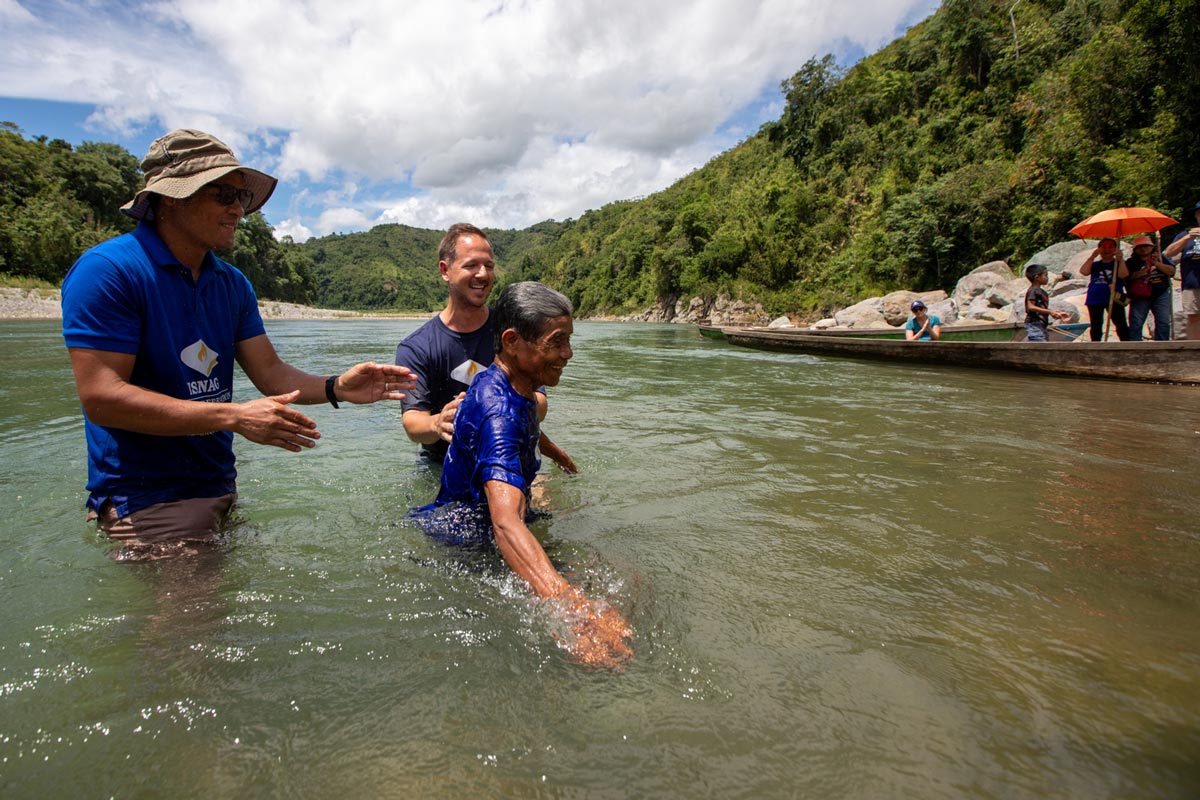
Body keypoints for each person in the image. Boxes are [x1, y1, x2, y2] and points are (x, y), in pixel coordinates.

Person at [61, 129, 416, 559]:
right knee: (194, 625)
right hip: (148, 501)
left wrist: (336, 386)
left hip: (217, 485)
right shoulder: (109, 272)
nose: (238, 210)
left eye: (242, 198)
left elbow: (270, 373)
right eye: (224, 195)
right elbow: (102, 398)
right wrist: (235, 416)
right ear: (173, 197)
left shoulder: (231, 284)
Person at [423, 281, 631, 666]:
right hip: (469, 543)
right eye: (557, 342)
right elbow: (505, 524)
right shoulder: (497, 412)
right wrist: (571, 609)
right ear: (512, 341)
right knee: (612, 594)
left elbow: (521, 415)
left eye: (569, 340)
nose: (568, 353)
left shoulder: (500, 382)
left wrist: (551, 450)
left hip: (480, 524)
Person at [393, 223, 575, 472]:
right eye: (471, 265)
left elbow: (540, 405)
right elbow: (413, 423)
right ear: (445, 270)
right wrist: (438, 423)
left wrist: (487, 404)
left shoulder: (511, 331)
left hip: (511, 452)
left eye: (489, 266)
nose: (483, 274)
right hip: (444, 464)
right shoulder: (417, 347)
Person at [1125, 234, 1176, 341]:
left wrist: (1157, 264)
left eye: (1146, 246)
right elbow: (1128, 277)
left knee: (1163, 321)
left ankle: (1162, 345)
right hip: (1140, 294)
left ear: (1152, 247)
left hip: (1160, 292)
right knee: (1136, 322)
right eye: (1140, 247)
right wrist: (1145, 270)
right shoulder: (1131, 262)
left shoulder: (1161, 258)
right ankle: (1135, 345)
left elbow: (1171, 271)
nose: (1143, 249)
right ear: (1135, 249)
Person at [1079, 238, 1130, 341]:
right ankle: (1096, 346)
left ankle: (1126, 345)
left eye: (1110, 247)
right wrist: (1092, 256)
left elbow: (1123, 274)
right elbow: (1084, 272)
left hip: (1113, 297)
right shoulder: (1096, 264)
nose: (1107, 250)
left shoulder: (1118, 263)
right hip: (1095, 298)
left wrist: (1121, 259)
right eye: (1103, 247)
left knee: (1121, 324)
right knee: (1096, 325)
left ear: (1115, 249)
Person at [1163, 200, 1200, 340]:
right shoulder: (1186, 235)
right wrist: (1187, 238)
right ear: (1196, 216)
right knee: (1194, 318)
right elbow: (1168, 253)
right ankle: (1196, 351)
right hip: (1192, 285)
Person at [1023, 263, 1070, 341]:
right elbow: (1030, 306)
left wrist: (1055, 313)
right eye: (1045, 275)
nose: (1047, 278)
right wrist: (1050, 311)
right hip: (1034, 323)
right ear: (1037, 277)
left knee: (1044, 341)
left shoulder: (1041, 292)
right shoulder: (1033, 290)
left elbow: (1041, 308)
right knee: (1040, 343)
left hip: (1041, 324)